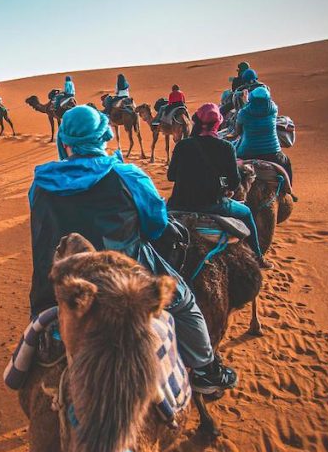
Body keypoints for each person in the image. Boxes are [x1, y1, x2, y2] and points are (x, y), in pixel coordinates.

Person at [28, 105, 238, 394]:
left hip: (56, 285)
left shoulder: (40, 183)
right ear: (105, 136)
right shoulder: (128, 176)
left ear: (64, 142)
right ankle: (205, 371)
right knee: (185, 303)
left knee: (42, 321)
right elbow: (155, 226)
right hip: (126, 282)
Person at [167, 104, 271, 268]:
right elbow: (235, 183)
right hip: (213, 205)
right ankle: (258, 257)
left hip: (179, 204)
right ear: (218, 124)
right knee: (247, 213)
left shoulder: (182, 145)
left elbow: (170, 176)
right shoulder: (226, 147)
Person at [233, 70, 293, 184]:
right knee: (286, 162)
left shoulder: (243, 113)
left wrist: (245, 103)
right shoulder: (273, 109)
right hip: (272, 152)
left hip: (247, 152)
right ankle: (289, 190)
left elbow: (237, 131)